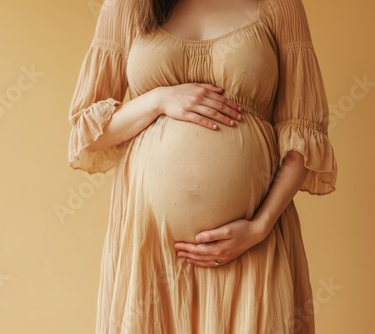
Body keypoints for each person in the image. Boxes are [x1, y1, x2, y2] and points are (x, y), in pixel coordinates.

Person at [68, 0, 337, 333]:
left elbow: (303, 131)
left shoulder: (278, 5)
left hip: (250, 245)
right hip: (152, 246)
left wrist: (259, 227)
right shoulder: (126, 6)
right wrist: (158, 100)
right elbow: (88, 130)